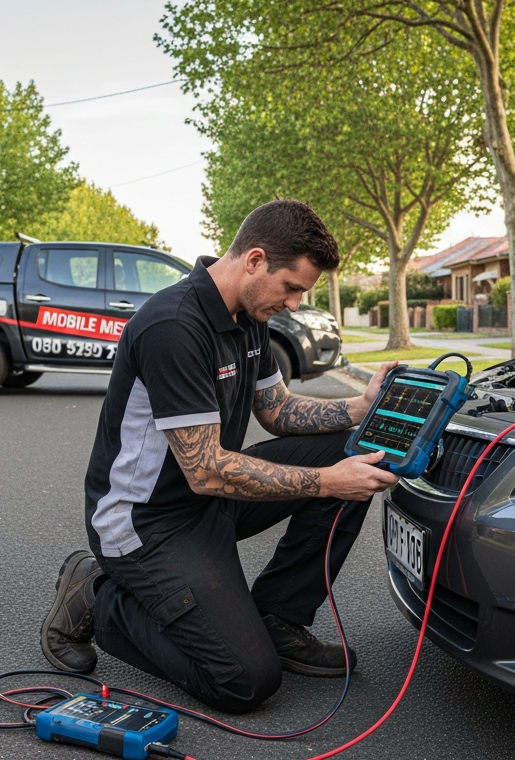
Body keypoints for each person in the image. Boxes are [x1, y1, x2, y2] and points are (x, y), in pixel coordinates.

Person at [40, 199, 400, 714]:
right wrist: (327, 482)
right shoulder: (173, 326)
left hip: (208, 502)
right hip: (147, 524)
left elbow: (277, 410)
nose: (296, 304)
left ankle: (278, 618)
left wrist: (359, 406)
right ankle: (99, 598)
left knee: (355, 450)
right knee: (243, 681)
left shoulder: (249, 316)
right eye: (292, 287)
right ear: (254, 260)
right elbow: (207, 469)